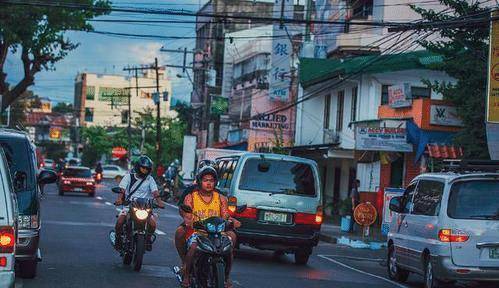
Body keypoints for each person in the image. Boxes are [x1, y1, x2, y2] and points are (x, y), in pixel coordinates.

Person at [180, 165, 240, 288]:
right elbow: (187, 213)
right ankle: (186, 274)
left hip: (217, 233)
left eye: (211, 180)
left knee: (230, 244)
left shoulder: (221, 198)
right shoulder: (191, 197)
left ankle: (227, 276)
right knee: (193, 246)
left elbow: (225, 215)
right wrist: (188, 219)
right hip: (199, 232)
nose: (208, 183)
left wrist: (232, 221)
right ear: (200, 181)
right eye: (205, 180)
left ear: (215, 182)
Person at [173, 160, 218, 271]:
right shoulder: (190, 191)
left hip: (215, 227)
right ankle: (185, 263)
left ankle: (226, 276)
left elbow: (227, 211)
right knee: (179, 232)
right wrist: (187, 218)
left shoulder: (220, 193)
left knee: (232, 235)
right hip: (195, 224)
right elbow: (181, 208)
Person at [114, 155, 165, 251]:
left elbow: (155, 192)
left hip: (146, 207)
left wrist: (159, 202)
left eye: (147, 168)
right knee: (120, 221)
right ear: (138, 166)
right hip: (129, 205)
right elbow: (122, 190)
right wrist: (120, 199)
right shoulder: (129, 177)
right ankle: (118, 239)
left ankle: (148, 240)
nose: (145, 170)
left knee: (153, 224)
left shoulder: (150, 179)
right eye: (143, 167)